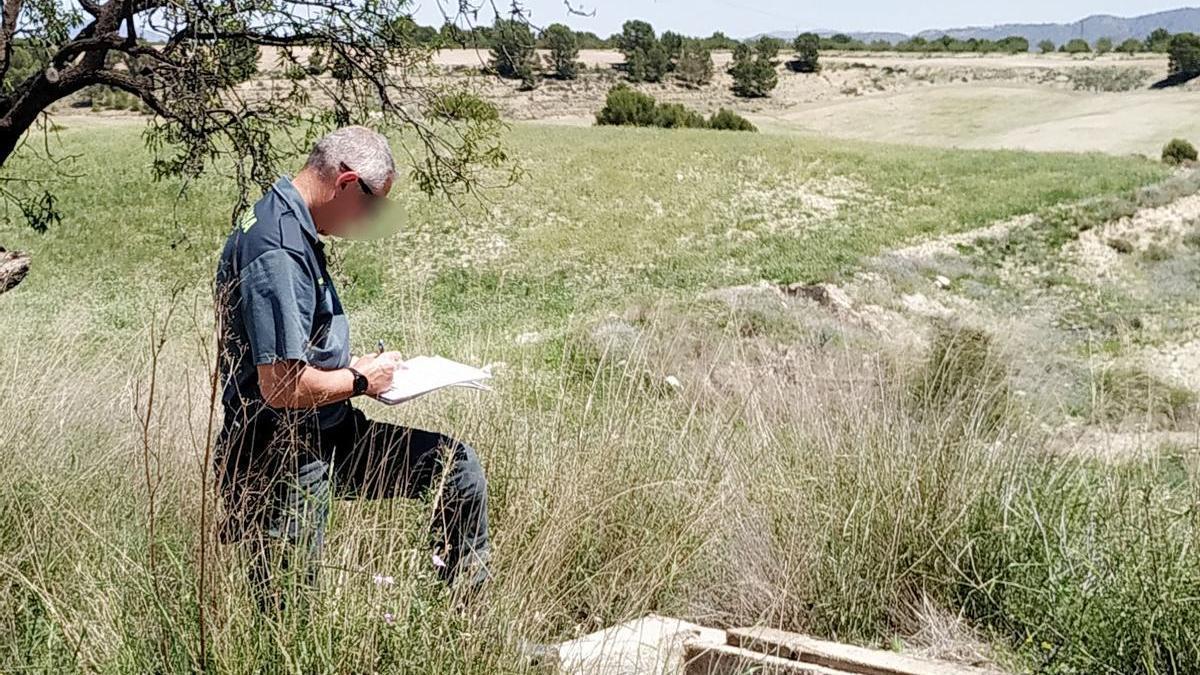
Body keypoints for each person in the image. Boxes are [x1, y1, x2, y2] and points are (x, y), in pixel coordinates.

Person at [213, 126, 490, 607]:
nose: (372, 219)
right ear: (345, 184)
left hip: (327, 431)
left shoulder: (284, 218)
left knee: (455, 468)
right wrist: (362, 380)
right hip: (286, 452)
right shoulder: (278, 248)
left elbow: (294, 354)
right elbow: (281, 387)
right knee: (286, 610)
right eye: (374, 204)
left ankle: (463, 621)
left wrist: (351, 369)